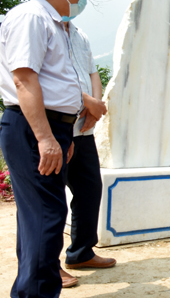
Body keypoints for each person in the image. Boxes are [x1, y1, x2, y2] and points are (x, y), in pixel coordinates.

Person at [0, 0, 101, 297]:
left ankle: (32, 290)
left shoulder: (56, 23)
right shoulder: (31, 18)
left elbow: (58, 82)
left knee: (41, 216)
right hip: (32, 127)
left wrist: (63, 133)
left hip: (52, 127)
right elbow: (24, 80)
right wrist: (45, 137)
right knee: (47, 216)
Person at [60, 20, 115, 285]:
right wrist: (89, 102)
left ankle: (81, 252)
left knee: (90, 189)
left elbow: (93, 72)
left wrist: (95, 106)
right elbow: (50, 78)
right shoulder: (43, 28)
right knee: (49, 199)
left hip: (83, 129)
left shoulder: (80, 34)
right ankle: (45, 265)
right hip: (56, 125)